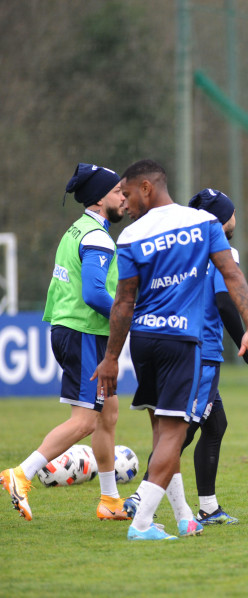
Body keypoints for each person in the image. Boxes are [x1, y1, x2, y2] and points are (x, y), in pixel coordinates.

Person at [94, 160, 248, 541]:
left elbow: (124, 302)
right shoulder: (203, 225)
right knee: (175, 434)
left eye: (128, 192)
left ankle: (186, 515)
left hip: (143, 342)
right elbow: (231, 275)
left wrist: (110, 358)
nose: (124, 200)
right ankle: (141, 523)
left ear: (148, 188)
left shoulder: (131, 236)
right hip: (182, 341)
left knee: (162, 431)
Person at [1, 164, 130, 522]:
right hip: (83, 332)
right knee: (86, 421)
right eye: (119, 191)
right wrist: (126, 316)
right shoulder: (98, 238)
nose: (124, 197)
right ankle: (21, 474)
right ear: (101, 198)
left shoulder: (77, 230)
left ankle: (109, 501)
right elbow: (92, 293)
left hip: (76, 330)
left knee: (108, 415)